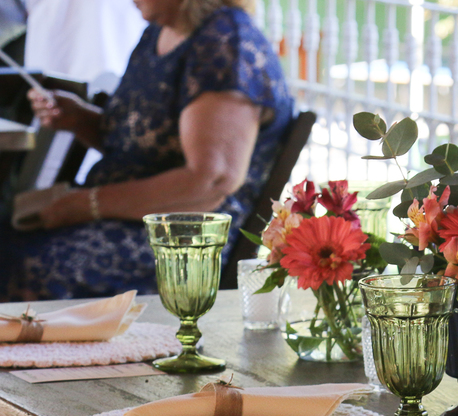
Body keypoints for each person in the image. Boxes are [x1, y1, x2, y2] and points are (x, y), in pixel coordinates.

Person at [0, 0, 293, 300]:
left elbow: (210, 181)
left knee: (31, 263)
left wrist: (84, 204)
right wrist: (79, 119)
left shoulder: (226, 43)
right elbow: (142, 147)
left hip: (184, 239)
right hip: (132, 216)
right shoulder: (159, 31)